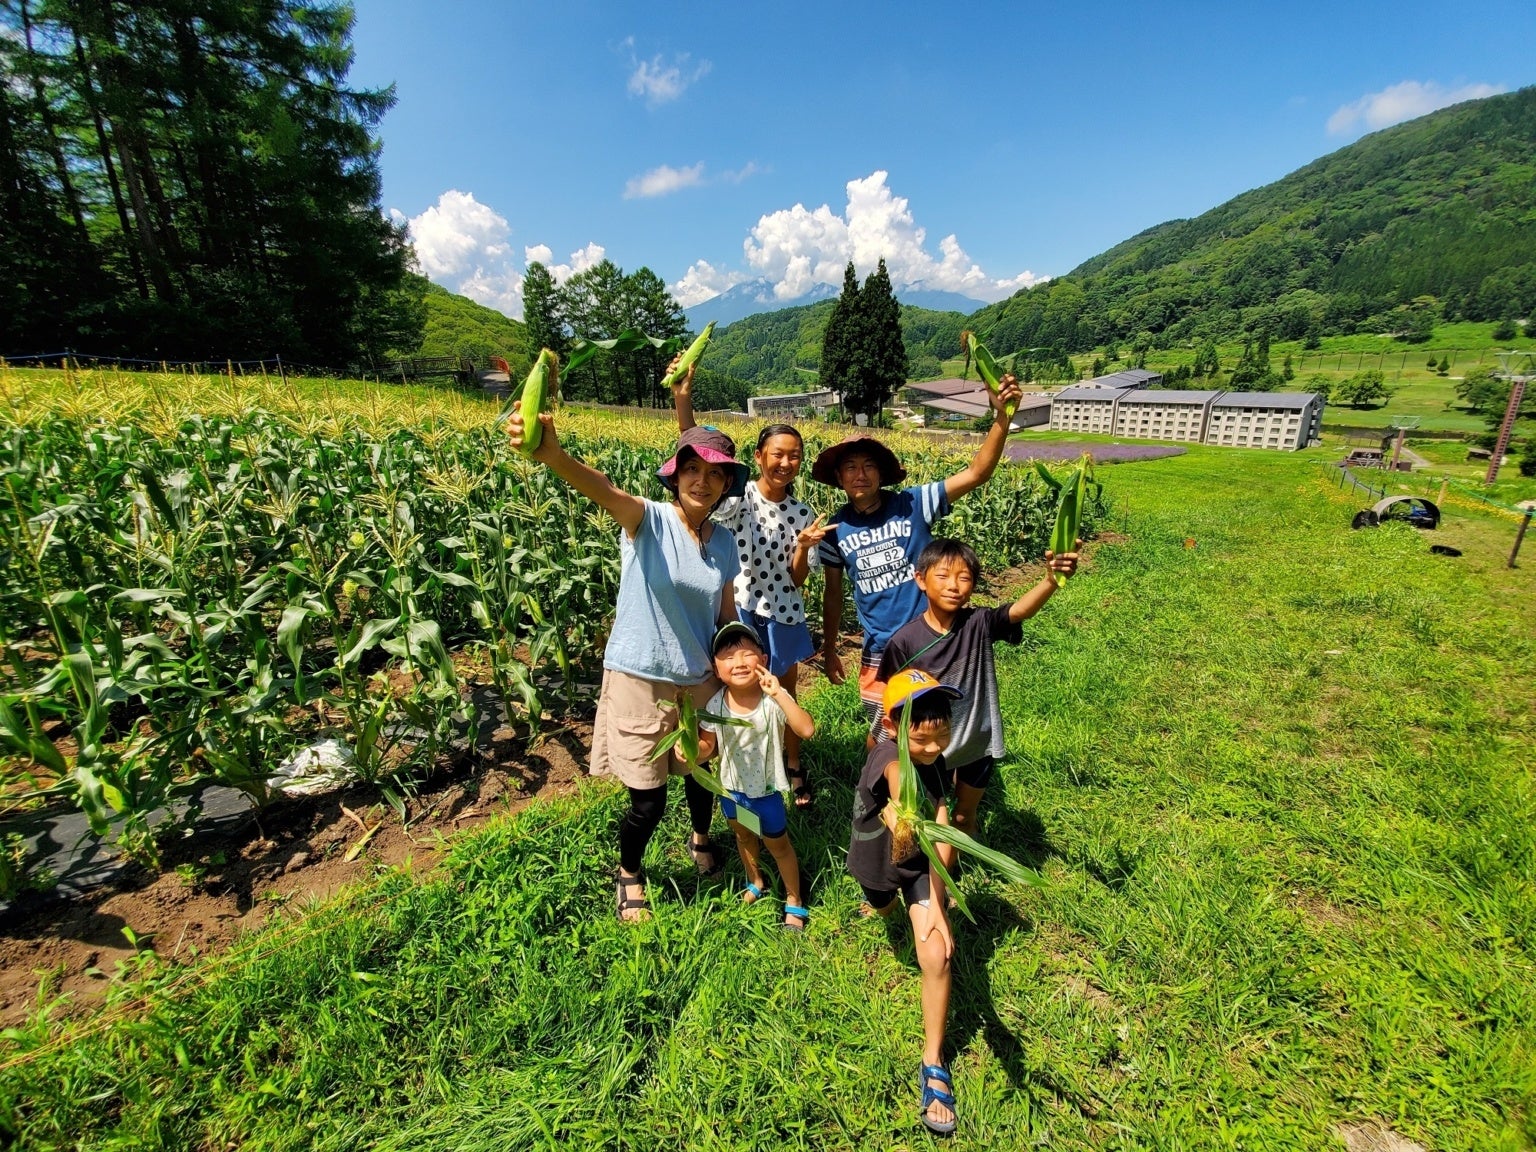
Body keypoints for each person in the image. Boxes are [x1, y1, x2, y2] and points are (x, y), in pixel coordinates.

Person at [507, 359, 748, 922]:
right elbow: (603, 488)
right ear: (676, 474)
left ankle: (699, 836)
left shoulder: (725, 543)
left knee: (699, 774)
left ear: (724, 485)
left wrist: (737, 665)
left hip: (699, 679)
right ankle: (631, 873)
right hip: (640, 676)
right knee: (647, 797)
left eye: (715, 474)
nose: (702, 480)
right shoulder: (648, 519)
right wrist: (549, 453)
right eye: (692, 468)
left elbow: (726, 613)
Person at [805, 374, 1023, 731]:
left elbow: (977, 473)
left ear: (881, 473)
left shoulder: (914, 503)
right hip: (881, 647)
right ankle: (886, 786)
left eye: (869, 465)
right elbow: (833, 596)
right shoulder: (834, 531)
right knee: (884, 729)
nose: (860, 474)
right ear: (839, 478)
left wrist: (1001, 418)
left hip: (933, 638)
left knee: (937, 727)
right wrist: (829, 651)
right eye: (850, 467)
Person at [672, 365, 824, 806]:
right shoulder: (738, 498)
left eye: (794, 455)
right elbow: (700, 462)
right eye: (777, 453)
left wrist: (802, 547)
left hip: (785, 613)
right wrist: (684, 402)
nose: (785, 462)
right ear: (759, 456)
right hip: (742, 609)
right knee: (736, 695)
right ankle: (737, 769)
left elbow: (797, 579)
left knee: (784, 692)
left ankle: (792, 766)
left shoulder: (802, 510)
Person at [872, 537, 1079, 842]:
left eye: (964, 578)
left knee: (963, 816)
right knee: (930, 818)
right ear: (920, 580)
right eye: (942, 576)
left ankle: (951, 872)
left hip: (975, 742)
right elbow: (891, 698)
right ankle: (933, 881)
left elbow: (1018, 611)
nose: (954, 585)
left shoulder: (978, 623)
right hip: (928, 748)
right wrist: (878, 754)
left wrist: (1051, 579)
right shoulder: (904, 642)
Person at [846, 669, 964, 1136]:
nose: (933, 749)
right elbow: (897, 779)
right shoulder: (886, 756)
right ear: (893, 727)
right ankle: (884, 907)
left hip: (917, 867)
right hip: (875, 864)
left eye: (941, 737)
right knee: (879, 901)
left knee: (935, 953)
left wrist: (938, 902)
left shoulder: (937, 763)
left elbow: (943, 837)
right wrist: (901, 807)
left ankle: (932, 1060)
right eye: (922, 739)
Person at [695, 621, 816, 929]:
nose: (738, 662)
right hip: (732, 792)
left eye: (747, 653)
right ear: (715, 667)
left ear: (763, 661)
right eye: (728, 655)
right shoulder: (715, 704)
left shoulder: (772, 701)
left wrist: (781, 694)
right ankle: (756, 881)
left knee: (779, 847)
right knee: (743, 836)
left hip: (766, 795)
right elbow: (707, 748)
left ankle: (794, 900)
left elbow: (806, 729)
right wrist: (689, 750)